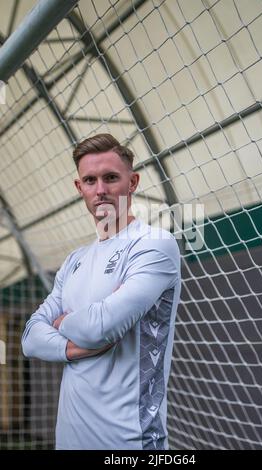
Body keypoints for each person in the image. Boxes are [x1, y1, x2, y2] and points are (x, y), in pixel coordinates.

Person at [21, 133, 181, 450]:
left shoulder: (154, 244)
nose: (101, 190)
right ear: (79, 188)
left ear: (132, 182)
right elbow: (29, 338)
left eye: (111, 178)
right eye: (90, 180)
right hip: (69, 439)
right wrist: (72, 349)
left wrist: (62, 322)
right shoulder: (74, 261)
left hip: (129, 442)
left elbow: (100, 328)